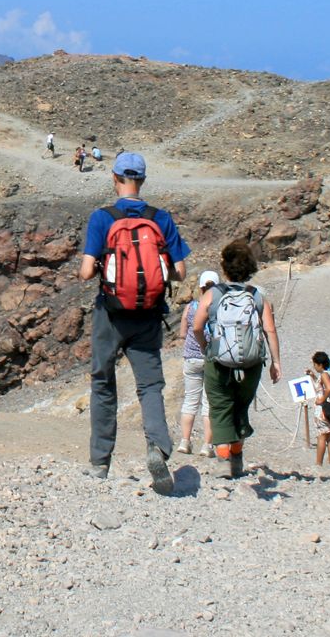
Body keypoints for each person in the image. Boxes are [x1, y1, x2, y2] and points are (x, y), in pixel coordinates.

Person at [79, 151, 190, 494]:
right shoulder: (161, 218)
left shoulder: (103, 218)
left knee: (103, 381)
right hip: (148, 315)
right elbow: (181, 272)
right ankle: (156, 447)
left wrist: (103, 267)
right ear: (142, 181)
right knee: (150, 385)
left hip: (110, 313)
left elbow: (85, 272)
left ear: (114, 178)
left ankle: (100, 463)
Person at [192, 239, 281, 479]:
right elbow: (270, 330)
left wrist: (205, 347)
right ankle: (238, 456)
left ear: (225, 268)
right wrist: (276, 362)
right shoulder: (258, 296)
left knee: (220, 407)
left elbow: (197, 326)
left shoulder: (212, 294)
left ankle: (224, 462)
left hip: (218, 361)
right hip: (251, 363)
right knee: (241, 407)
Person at [175, 270, 220, 455]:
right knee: (208, 403)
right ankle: (207, 446)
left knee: (190, 401)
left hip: (192, 358)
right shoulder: (218, 308)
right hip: (211, 359)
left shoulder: (191, 307)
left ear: (200, 287)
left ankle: (185, 442)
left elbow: (183, 333)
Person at [309, 351, 330, 471]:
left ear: (319, 364)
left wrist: (321, 399)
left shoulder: (324, 375)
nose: (314, 367)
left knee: (321, 436)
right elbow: (325, 386)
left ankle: (319, 464)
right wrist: (313, 376)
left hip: (323, 409)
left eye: (315, 364)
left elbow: (328, 388)